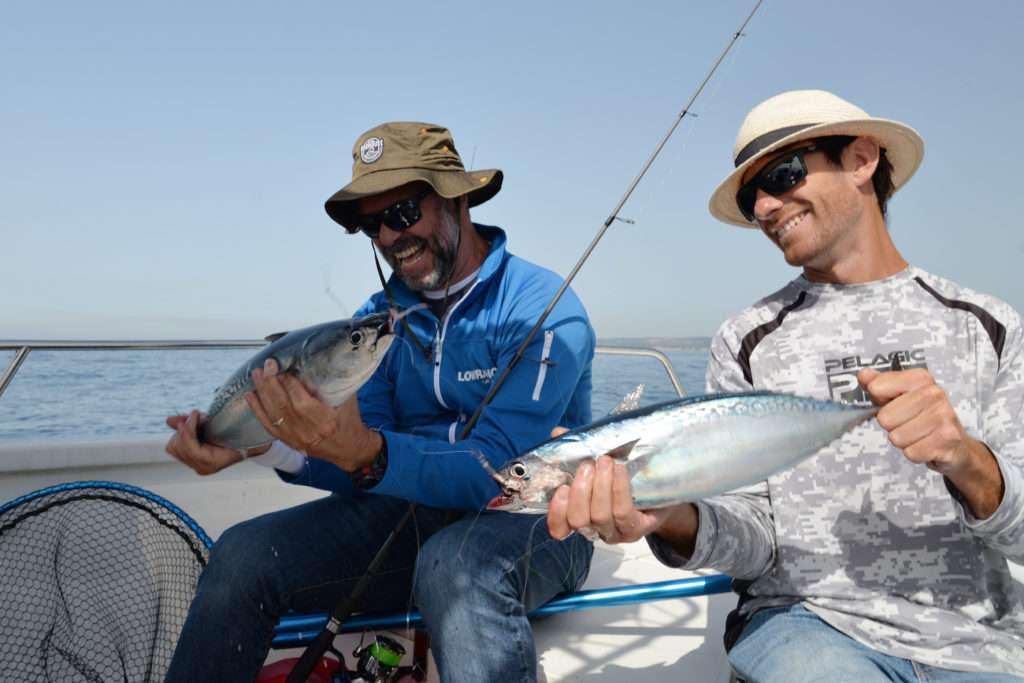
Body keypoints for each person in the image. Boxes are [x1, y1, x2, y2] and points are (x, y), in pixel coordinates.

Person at [547, 90, 1024, 681]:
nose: (766, 206)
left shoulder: (987, 326)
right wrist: (669, 515)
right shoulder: (747, 340)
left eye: (783, 174)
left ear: (861, 159)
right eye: (751, 197)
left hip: (978, 645)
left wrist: (969, 462)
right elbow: (756, 540)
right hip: (806, 625)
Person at [164, 122, 596, 682]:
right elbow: (363, 463)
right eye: (373, 226)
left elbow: (502, 469)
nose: (391, 237)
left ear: (457, 199)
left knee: (455, 564)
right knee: (241, 555)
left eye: (403, 213)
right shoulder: (375, 321)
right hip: (410, 516)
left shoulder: (543, 309)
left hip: (541, 518)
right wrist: (265, 446)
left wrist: (370, 453)